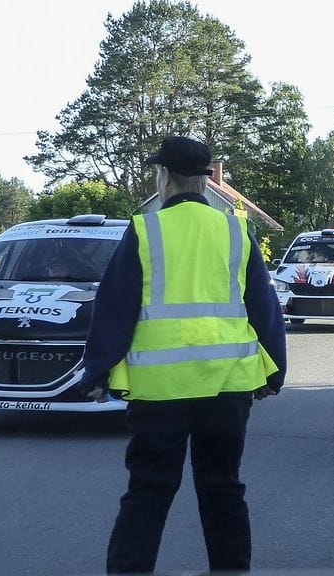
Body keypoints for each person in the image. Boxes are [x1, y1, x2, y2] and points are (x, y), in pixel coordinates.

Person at [77, 135, 287, 574]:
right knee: (223, 490)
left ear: (165, 177)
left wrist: (97, 372)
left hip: (160, 391)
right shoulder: (236, 231)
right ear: (206, 180)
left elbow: (114, 307)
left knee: (148, 493)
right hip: (228, 386)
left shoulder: (144, 231)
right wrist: (274, 372)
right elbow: (264, 307)